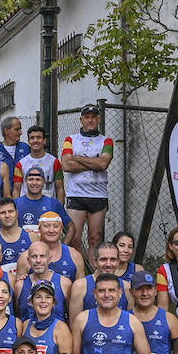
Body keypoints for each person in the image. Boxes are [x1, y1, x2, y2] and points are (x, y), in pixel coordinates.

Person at [72, 273, 151, 354]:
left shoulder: (133, 322)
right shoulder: (82, 319)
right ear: (95, 293)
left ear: (120, 293)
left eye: (111, 290)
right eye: (102, 291)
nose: (107, 295)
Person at [61, 104, 114, 262]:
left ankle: (93, 272)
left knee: (94, 238)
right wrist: (94, 162)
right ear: (81, 120)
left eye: (93, 117)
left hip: (98, 195)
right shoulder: (71, 139)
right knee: (74, 237)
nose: (90, 120)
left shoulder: (107, 141)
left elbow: (103, 164)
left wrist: (78, 158)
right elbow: (66, 165)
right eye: (87, 117)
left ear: (98, 119)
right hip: (76, 194)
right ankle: (81, 269)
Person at [130, 270, 178, 354]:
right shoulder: (125, 319)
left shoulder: (170, 319)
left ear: (156, 291)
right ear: (131, 292)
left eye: (149, 288)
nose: (144, 293)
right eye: (139, 289)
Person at [67, 242, 133, 322]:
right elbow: (74, 324)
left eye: (113, 259)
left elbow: (130, 323)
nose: (108, 264)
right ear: (95, 261)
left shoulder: (126, 287)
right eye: (103, 259)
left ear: (118, 261)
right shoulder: (81, 286)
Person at [22, 282, 73, 354]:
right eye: (38, 297)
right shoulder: (25, 325)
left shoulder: (61, 328)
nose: (43, 301)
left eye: (48, 297)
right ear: (31, 301)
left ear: (53, 302)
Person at [12, 125, 66, 204]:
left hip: (48, 206)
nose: (35, 140)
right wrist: (16, 208)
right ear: (28, 141)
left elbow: (60, 188)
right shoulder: (20, 164)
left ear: (44, 140)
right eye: (32, 138)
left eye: (39, 137)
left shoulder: (54, 162)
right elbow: (17, 189)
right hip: (27, 206)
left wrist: (59, 209)